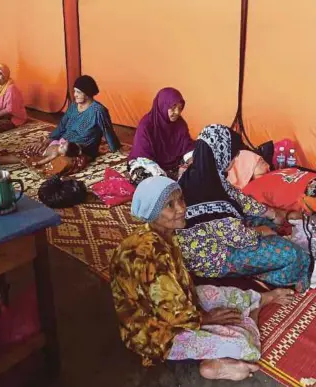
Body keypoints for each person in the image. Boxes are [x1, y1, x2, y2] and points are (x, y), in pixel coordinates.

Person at [110, 176, 294, 380]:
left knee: (215, 293)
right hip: (155, 335)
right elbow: (168, 309)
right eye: (170, 205)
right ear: (152, 214)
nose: (181, 208)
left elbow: (176, 288)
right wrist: (205, 318)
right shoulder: (145, 252)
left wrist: (199, 308)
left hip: (177, 307)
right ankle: (214, 364)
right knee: (242, 344)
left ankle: (259, 302)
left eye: (180, 200)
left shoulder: (163, 235)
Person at [177, 124, 311, 292]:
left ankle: (263, 259)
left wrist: (271, 214)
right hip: (213, 259)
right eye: (234, 156)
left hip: (221, 238)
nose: (234, 161)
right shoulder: (207, 192)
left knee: (267, 221)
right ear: (221, 155)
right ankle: (260, 277)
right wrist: (261, 231)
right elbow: (240, 239)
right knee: (294, 255)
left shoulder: (202, 174)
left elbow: (239, 198)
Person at [30, 75, 120, 159]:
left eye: (78, 92)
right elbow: (62, 126)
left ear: (87, 93)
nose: (75, 95)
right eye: (74, 91)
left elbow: (107, 131)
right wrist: (49, 140)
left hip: (82, 149)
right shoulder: (73, 106)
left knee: (60, 160)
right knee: (39, 150)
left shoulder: (98, 110)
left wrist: (116, 149)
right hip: (64, 143)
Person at [127, 88, 195, 184]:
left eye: (180, 108)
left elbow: (187, 147)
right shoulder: (146, 124)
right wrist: (159, 173)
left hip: (175, 165)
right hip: (149, 162)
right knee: (142, 176)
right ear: (162, 105)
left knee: (200, 164)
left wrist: (187, 164)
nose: (177, 112)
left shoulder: (180, 123)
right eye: (173, 107)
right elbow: (143, 155)